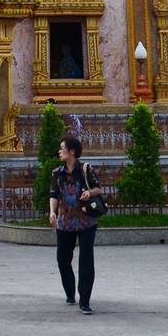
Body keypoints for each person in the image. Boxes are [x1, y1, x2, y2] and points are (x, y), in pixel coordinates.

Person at [48, 133, 102, 316]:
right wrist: (52, 212)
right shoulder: (57, 173)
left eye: (62, 148)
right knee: (63, 259)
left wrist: (90, 193)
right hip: (65, 222)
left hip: (86, 221)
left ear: (71, 151)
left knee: (86, 261)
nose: (60, 151)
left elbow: (98, 188)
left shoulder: (86, 169)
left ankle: (85, 300)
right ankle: (70, 292)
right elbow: (54, 194)